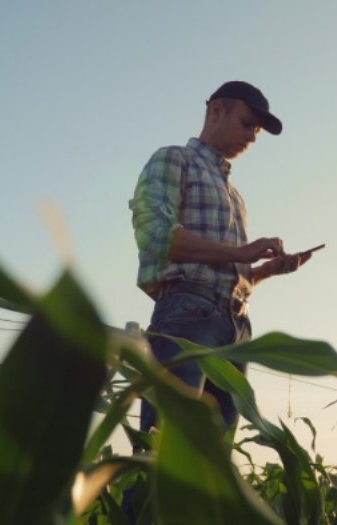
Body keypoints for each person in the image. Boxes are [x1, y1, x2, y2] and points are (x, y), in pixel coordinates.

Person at [129, 80, 311, 434]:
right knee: (167, 447)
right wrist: (240, 252)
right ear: (216, 111)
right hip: (188, 315)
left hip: (235, 325)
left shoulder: (235, 195)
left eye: (257, 130)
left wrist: (265, 271)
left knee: (213, 464)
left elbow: (223, 272)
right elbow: (154, 236)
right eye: (247, 124)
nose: (253, 138)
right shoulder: (173, 159)